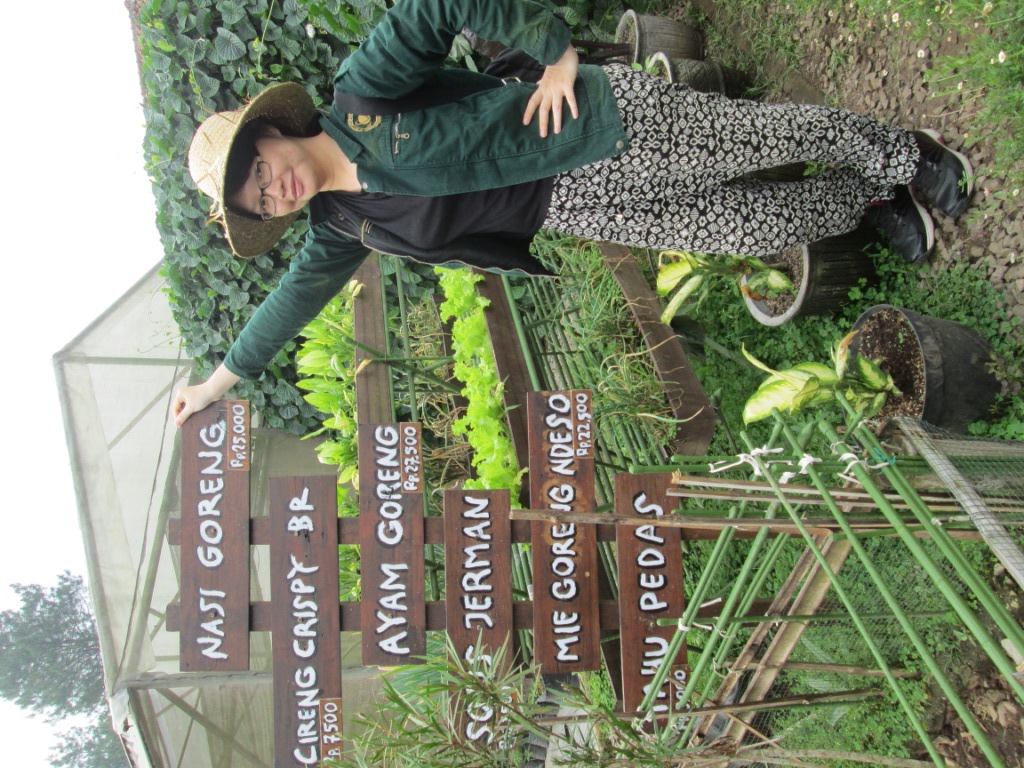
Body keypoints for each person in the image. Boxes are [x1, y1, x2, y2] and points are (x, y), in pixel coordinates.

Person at [171, 0, 974, 427]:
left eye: (259, 171)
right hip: (576, 206)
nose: (272, 190)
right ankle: (869, 198)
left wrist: (555, 54)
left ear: (271, 132)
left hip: (592, 129)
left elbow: (437, 4)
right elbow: (288, 306)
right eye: (257, 199)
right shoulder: (342, 225)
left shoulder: (363, 96)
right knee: (749, 229)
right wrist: (215, 384)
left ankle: (906, 155)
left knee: (760, 140)